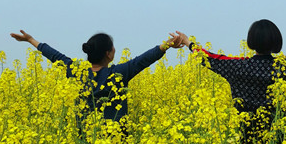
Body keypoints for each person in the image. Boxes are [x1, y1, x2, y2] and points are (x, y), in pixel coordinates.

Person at [10, 29, 185, 127]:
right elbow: (143, 60)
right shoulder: (118, 74)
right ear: (108, 54)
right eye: (113, 48)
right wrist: (166, 45)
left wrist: (31, 40)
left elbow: (55, 56)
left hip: (86, 143)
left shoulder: (77, 72)